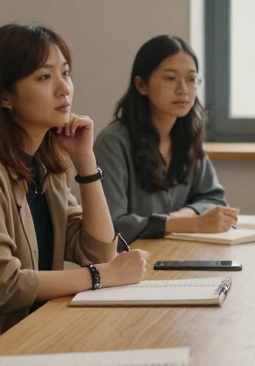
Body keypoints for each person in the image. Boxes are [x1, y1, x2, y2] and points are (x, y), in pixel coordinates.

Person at [0, 24, 147, 331]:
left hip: (30, 331)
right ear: (4, 97)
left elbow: (97, 251)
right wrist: (103, 276)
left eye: (65, 73)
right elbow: (2, 284)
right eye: (44, 77)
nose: (63, 88)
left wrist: (85, 162)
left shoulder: (43, 164)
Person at [94, 35, 237, 241]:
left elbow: (214, 198)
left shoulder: (186, 135)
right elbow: (111, 224)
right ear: (141, 85)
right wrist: (187, 224)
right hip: (130, 263)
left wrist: (183, 216)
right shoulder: (113, 142)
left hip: (178, 253)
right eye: (170, 78)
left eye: (192, 79)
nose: (183, 90)